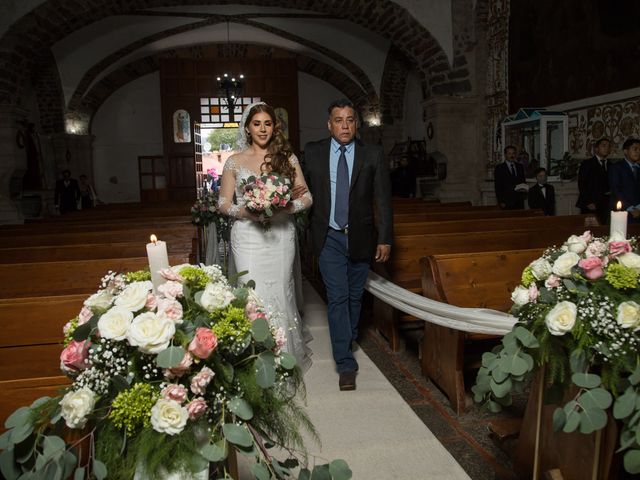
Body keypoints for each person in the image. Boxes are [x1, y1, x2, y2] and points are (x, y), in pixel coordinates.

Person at [303, 99, 393, 391]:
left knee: (355, 296)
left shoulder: (373, 153)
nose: (344, 125)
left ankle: (348, 334)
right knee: (338, 297)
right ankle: (345, 363)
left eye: (350, 120)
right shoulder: (314, 152)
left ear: (357, 124)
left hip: (361, 235)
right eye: (338, 120)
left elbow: (382, 199)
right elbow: (301, 191)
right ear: (329, 124)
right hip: (328, 235)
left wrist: (385, 237)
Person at [217, 102, 313, 371]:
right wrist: (249, 212)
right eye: (257, 123)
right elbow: (223, 203)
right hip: (248, 236)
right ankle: (254, 359)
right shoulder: (234, 161)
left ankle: (283, 356)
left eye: (267, 123)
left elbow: (306, 196)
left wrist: (285, 206)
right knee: (252, 294)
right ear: (247, 128)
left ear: (274, 127)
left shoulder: (287, 158)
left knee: (281, 289)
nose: (262, 129)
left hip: (281, 235)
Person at [576, 138, 611, 225]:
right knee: (590, 230)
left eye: (608, 146)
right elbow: (582, 183)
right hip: (591, 203)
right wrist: (588, 201)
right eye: (603, 146)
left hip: (606, 204)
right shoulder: (587, 164)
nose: (606, 148)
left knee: (603, 228)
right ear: (596, 149)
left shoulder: (611, 165)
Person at [609, 138, 640, 223]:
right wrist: (631, 208)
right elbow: (616, 190)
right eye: (635, 149)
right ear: (626, 151)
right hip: (623, 210)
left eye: (639, 150)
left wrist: (638, 207)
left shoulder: (638, 168)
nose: (638, 152)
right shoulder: (616, 168)